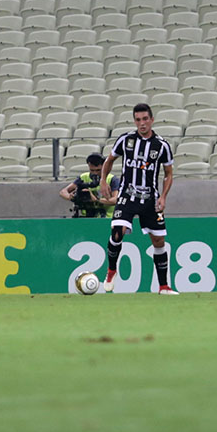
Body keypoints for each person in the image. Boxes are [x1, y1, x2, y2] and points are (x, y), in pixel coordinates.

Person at [99, 103, 178, 295]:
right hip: (127, 195)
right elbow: (109, 161)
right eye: (138, 120)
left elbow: (168, 173)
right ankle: (111, 271)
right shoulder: (125, 140)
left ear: (152, 119)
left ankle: (164, 287)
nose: (141, 123)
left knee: (158, 241)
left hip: (150, 198)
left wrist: (164, 197)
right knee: (118, 231)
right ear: (134, 121)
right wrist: (103, 180)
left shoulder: (162, 145)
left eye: (145, 119)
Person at [59, 152, 120, 218]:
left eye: (98, 170)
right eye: (92, 170)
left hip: (106, 218)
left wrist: (96, 200)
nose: (95, 173)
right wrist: (71, 197)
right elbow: (63, 192)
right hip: (86, 218)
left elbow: (115, 200)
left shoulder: (111, 179)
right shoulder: (83, 177)